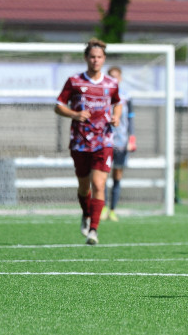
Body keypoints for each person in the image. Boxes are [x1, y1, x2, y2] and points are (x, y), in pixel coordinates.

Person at [55, 38, 122, 245]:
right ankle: (85, 214)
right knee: (84, 186)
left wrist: (116, 116)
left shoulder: (111, 84)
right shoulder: (75, 81)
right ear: (86, 58)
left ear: (104, 59)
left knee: (99, 183)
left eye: (99, 57)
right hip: (80, 141)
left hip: (104, 140)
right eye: (92, 57)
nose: (95, 60)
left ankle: (94, 229)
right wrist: (74, 115)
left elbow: (118, 102)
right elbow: (58, 105)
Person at [101, 66, 136, 222]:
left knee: (117, 176)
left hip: (121, 141)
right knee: (101, 176)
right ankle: (103, 208)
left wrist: (131, 138)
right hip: (105, 140)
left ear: (120, 79)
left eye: (116, 77)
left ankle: (113, 210)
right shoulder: (102, 94)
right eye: (111, 77)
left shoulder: (126, 96)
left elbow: (130, 118)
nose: (114, 80)